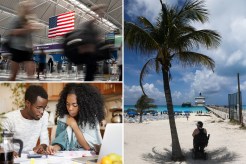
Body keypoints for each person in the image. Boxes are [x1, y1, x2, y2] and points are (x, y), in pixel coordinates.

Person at [46, 83, 105, 154]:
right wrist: (54, 148)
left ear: (83, 105)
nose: (70, 108)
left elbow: (88, 147)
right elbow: (60, 142)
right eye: (67, 104)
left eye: (74, 105)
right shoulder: (63, 119)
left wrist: (74, 125)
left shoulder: (90, 120)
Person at [1, 85, 49, 156]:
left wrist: (42, 147)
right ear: (28, 104)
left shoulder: (44, 116)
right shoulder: (8, 119)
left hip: (31, 158)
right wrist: (8, 152)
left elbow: (45, 140)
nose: (42, 111)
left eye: (44, 108)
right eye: (38, 107)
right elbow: (2, 144)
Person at [7, 1, 39, 81]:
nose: (30, 9)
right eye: (28, 7)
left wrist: (32, 46)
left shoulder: (30, 20)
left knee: (31, 75)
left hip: (27, 49)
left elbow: (30, 36)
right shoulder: (16, 19)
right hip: (17, 49)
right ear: (23, 8)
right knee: (13, 76)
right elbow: (12, 32)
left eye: (31, 7)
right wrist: (26, 29)